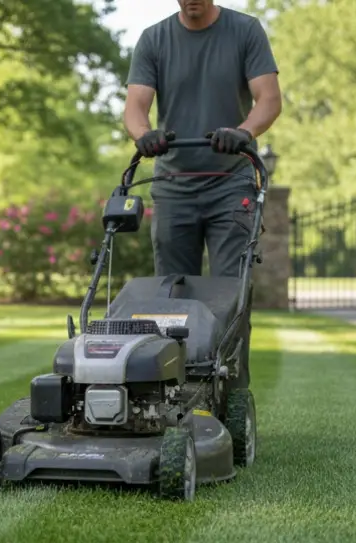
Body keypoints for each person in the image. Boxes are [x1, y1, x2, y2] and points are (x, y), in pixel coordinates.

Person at [123, 0, 282, 389]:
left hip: (231, 183)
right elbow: (135, 106)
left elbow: (269, 99)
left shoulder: (245, 31)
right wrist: (145, 135)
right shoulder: (154, 39)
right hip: (174, 185)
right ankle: (171, 393)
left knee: (231, 294)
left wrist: (244, 132)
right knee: (171, 296)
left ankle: (230, 396)